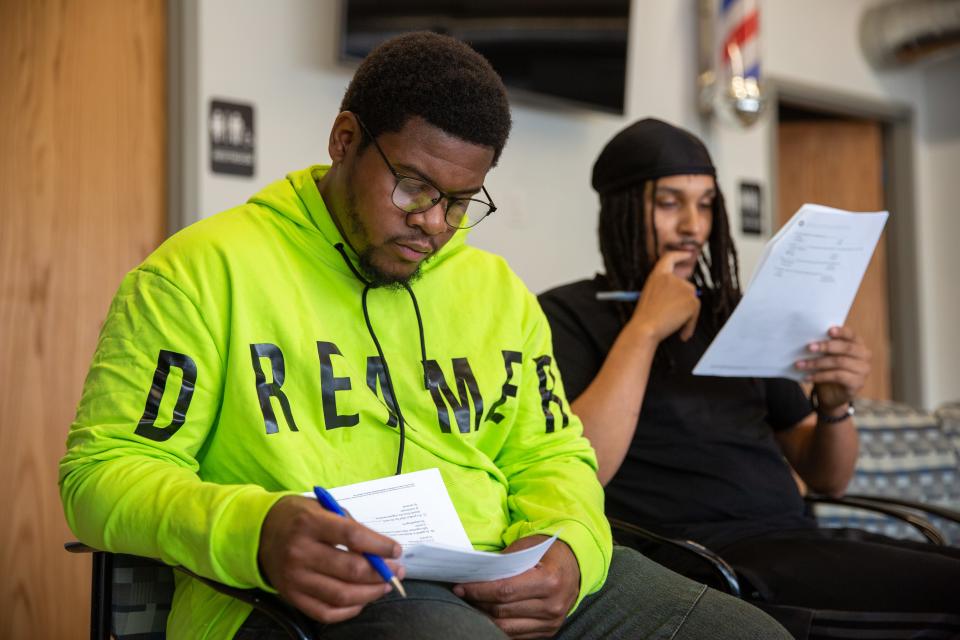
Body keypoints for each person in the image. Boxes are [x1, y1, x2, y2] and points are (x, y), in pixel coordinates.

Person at [59, 35, 791, 640]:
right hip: (309, 590)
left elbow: (552, 452)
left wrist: (571, 545)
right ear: (344, 140)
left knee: (751, 635)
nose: (435, 223)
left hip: (494, 571)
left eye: (462, 201)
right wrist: (253, 528)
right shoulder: (200, 273)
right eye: (413, 187)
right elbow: (101, 474)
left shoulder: (496, 292)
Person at [539, 117, 960, 637]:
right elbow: (583, 467)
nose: (694, 226)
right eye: (670, 203)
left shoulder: (736, 313)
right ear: (621, 209)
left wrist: (834, 404)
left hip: (798, 541)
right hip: (705, 560)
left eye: (706, 203)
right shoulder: (565, 315)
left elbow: (827, 477)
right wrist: (646, 329)